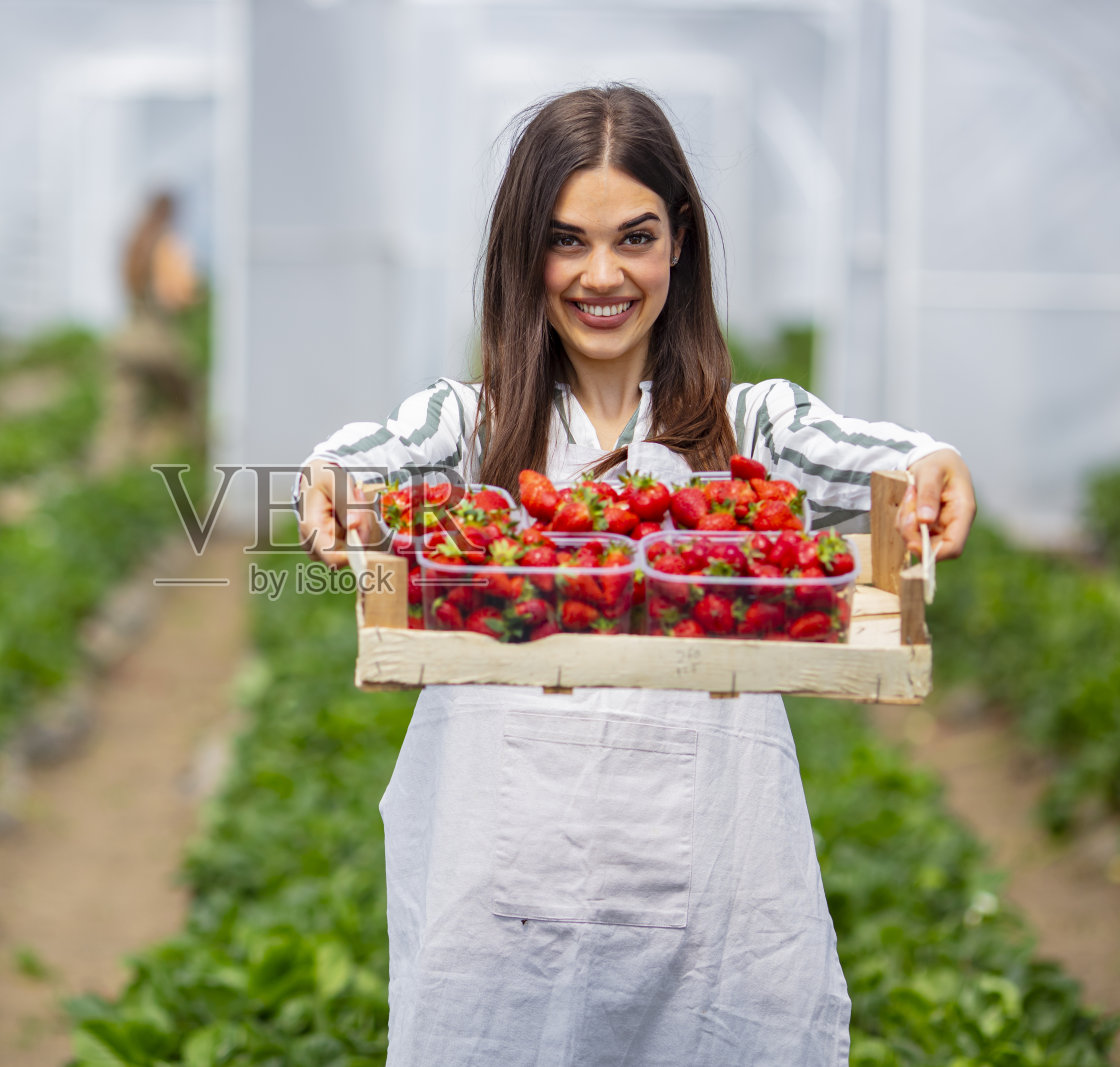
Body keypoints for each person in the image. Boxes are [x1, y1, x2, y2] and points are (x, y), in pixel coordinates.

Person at [294, 85, 975, 1066]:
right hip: (505, 912)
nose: (600, 274)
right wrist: (333, 478)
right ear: (523, 252)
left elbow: (874, 455)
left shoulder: (752, 431)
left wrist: (928, 466)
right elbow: (375, 451)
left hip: (714, 911)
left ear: (681, 241)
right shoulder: (474, 430)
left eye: (634, 237)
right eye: (566, 240)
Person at [94, 191, 201, 472]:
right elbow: (179, 294)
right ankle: (193, 469)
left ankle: (105, 476)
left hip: (128, 338)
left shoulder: (135, 241)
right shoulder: (168, 245)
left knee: (121, 417)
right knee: (187, 410)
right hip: (158, 341)